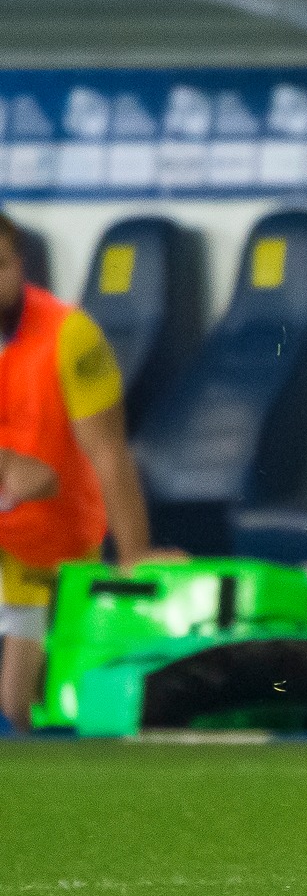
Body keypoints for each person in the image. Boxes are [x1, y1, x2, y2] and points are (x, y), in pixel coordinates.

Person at [0, 213, 178, 733]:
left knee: (17, 708)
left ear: (21, 267)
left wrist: (134, 554)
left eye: (0, 265)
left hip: (47, 542)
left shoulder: (70, 336)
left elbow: (108, 453)